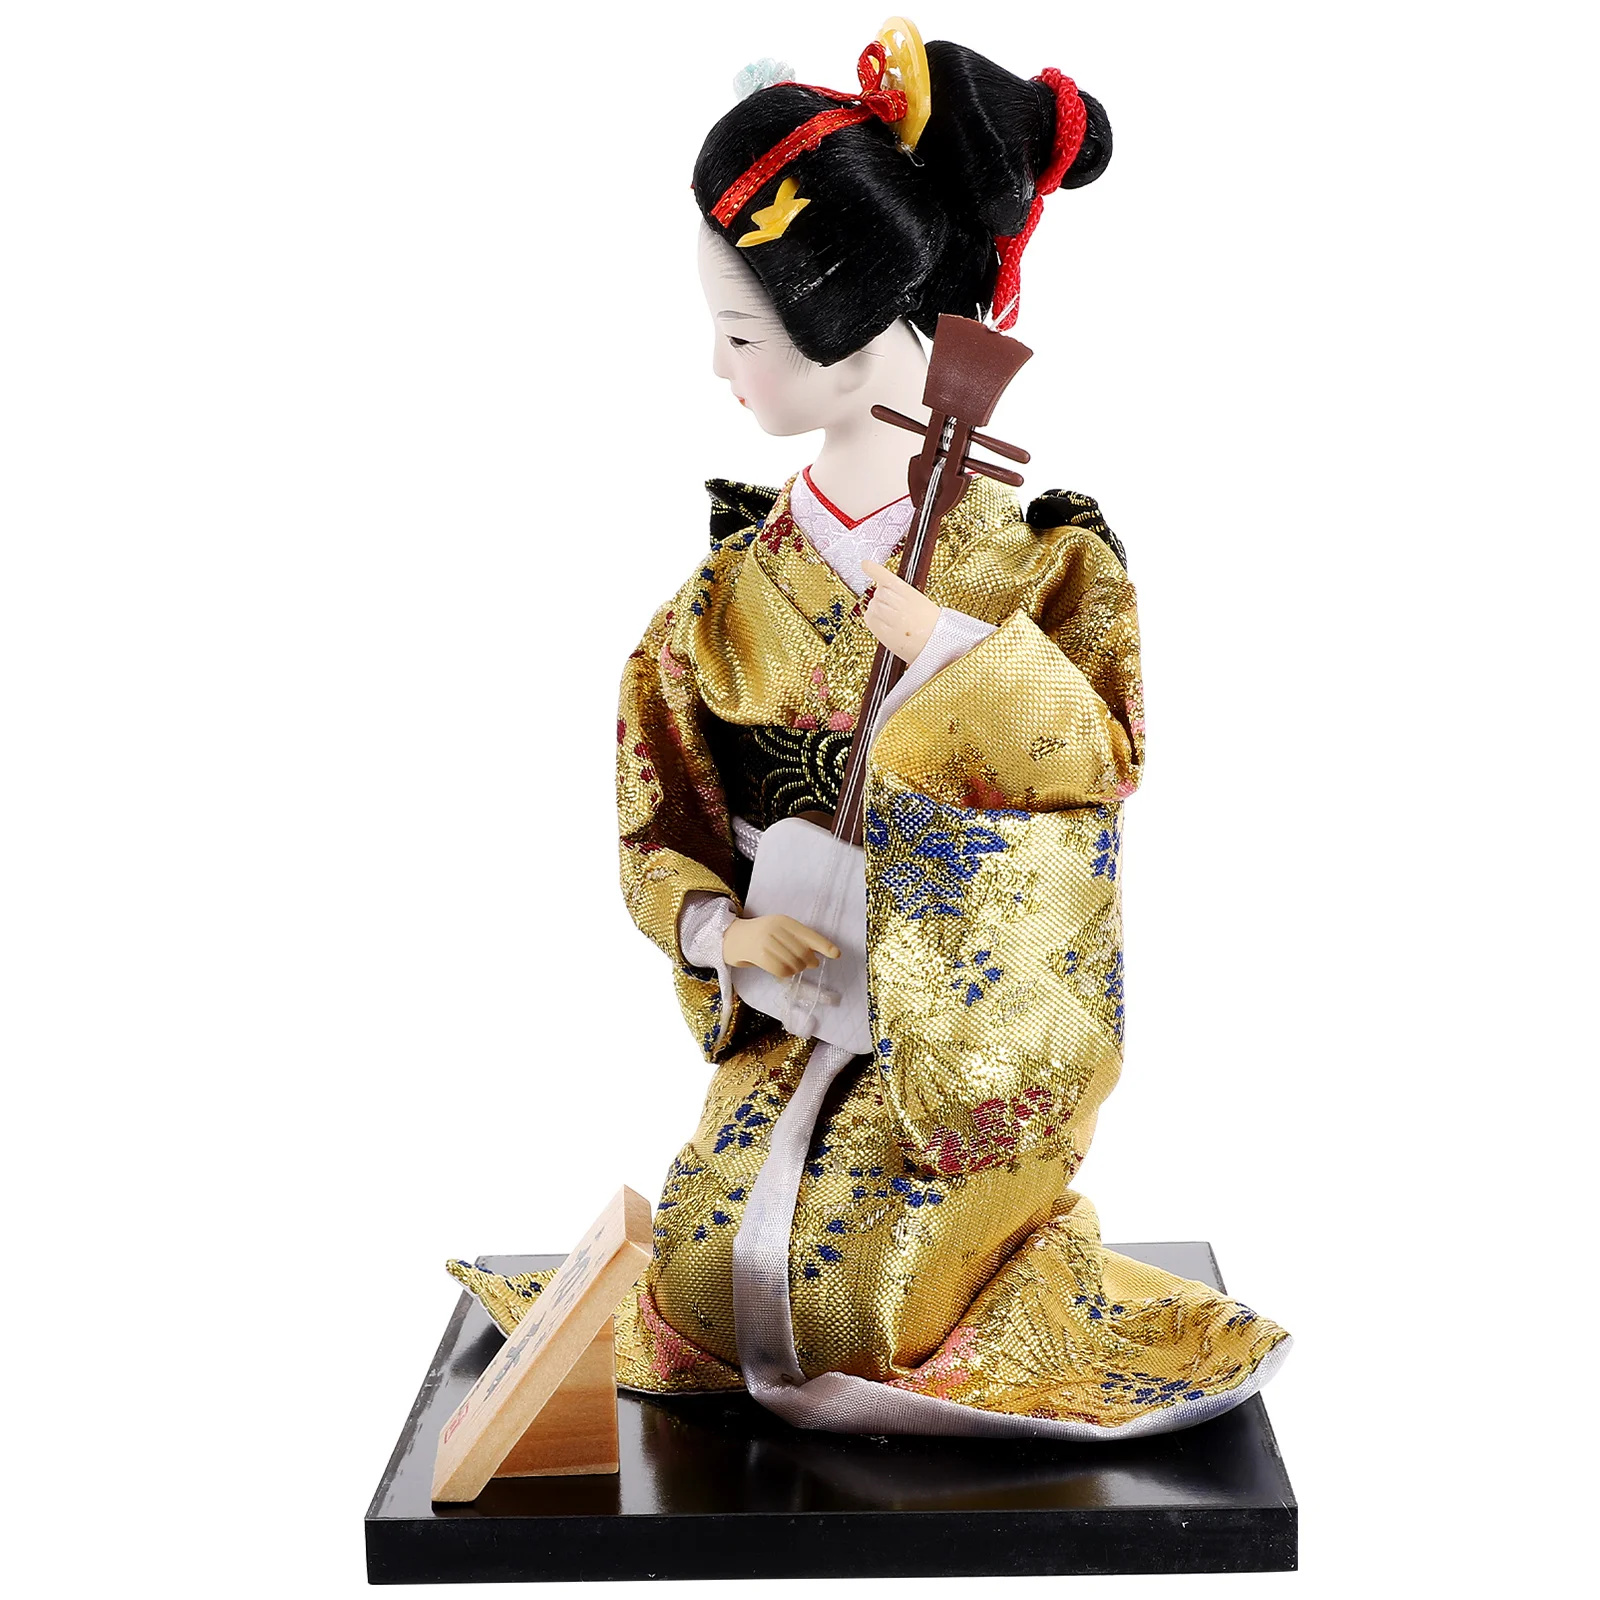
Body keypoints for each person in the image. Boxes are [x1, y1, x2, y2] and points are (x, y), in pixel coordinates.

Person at [453, 23, 1289, 1437]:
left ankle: (981, 1265)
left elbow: (1094, 764)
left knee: (864, 1296)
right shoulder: (724, 598)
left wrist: (953, 652)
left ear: (847, 337)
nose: (717, 366)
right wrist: (724, 933)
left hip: (949, 1058)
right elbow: (659, 809)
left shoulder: (1042, 568)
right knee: (708, 1276)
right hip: (793, 1022)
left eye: (741, 337)